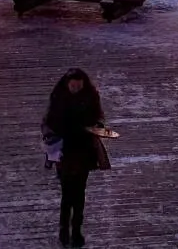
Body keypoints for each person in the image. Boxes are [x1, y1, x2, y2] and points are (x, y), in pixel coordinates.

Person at [41, 68, 110, 247]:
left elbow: (97, 118)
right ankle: (64, 230)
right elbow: (50, 122)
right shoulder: (58, 97)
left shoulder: (91, 96)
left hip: (83, 150)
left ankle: (76, 231)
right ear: (67, 84)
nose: (76, 89)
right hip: (64, 150)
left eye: (79, 86)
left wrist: (96, 127)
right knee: (67, 192)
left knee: (79, 192)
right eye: (73, 86)